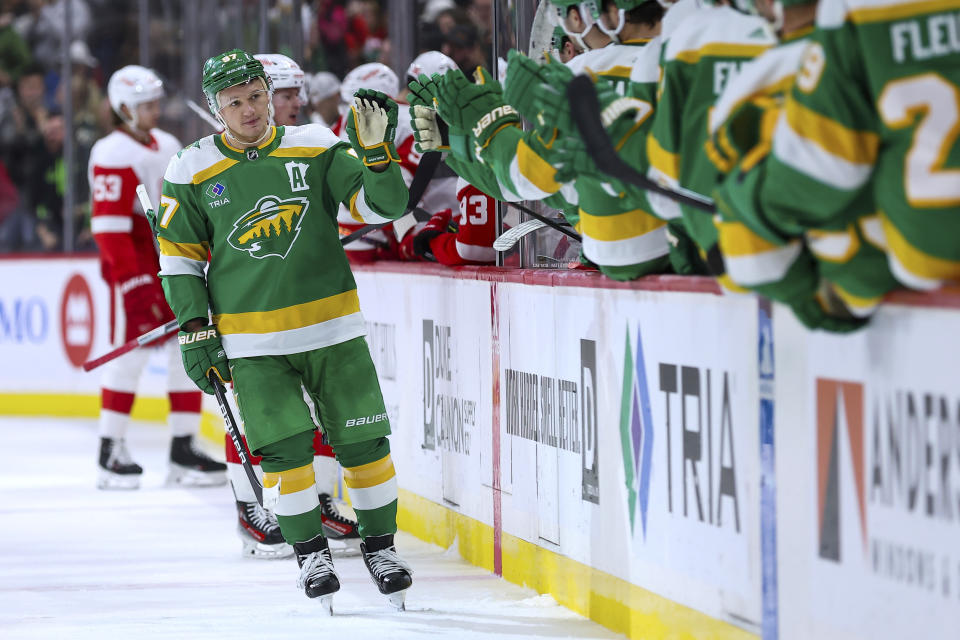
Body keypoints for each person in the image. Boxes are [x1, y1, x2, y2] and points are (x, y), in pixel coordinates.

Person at [154, 49, 412, 606]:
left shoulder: (316, 144)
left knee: (365, 442)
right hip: (251, 345)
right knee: (285, 453)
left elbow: (381, 207)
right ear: (214, 107)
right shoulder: (190, 168)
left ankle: (381, 547)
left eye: (255, 97)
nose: (248, 110)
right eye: (234, 102)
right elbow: (178, 260)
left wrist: (377, 156)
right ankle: (310, 555)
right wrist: (194, 329)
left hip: (333, 329)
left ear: (268, 96)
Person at [88, 65, 227, 490]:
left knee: (186, 349)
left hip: (169, 266)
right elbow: (109, 229)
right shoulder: (110, 151)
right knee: (128, 357)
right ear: (124, 108)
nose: (154, 110)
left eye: (155, 102)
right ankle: (109, 450)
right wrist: (133, 284)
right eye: (145, 105)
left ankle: (183, 448)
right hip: (133, 273)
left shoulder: (166, 144)